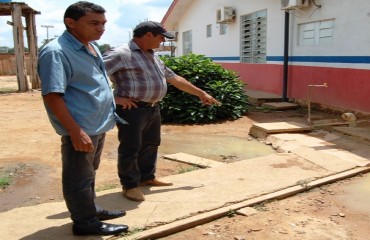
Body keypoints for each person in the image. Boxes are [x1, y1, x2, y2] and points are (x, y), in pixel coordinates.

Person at [103, 21, 221, 202]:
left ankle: (146, 177)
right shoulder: (121, 54)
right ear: (148, 35)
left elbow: (174, 78)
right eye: (161, 38)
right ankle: (130, 186)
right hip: (132, 110)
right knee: (130, 148)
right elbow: (94, 77)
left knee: (151, 144)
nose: (162, 42)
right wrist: (114, 98)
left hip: (152, 108)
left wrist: (200, 93)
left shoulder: (152, 55)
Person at [38, 1, 128, 236]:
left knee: (89, 174)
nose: (101, 29)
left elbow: (93, 83)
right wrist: (75, 131)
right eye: (94, 23)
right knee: (78, 177)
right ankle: (85, 223)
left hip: (97, 123)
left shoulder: (90, 45)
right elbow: (52, 95)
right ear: (71, 23)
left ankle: (90, 209)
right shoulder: (56, 51)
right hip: (81, 127)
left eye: (103, 24)